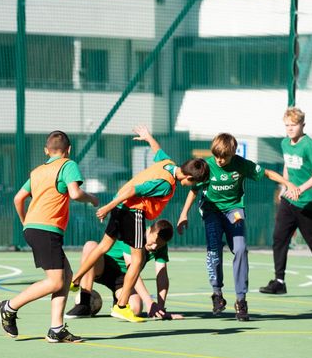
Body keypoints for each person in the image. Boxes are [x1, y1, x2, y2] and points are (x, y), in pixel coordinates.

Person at [70, 125, 209, 323]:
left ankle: (75, 280)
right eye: (192, 183)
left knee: (103, 246)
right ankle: (121, 307)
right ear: (188, 177)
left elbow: (158, 150)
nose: (190, 186)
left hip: (121, 208)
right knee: (137, 260)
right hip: (133, 211)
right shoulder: (166, 184)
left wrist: (148, 137)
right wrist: (108, 206)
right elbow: (134, 190)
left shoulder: (168, 164)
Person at [177, 133, 300, 321]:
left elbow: (267, 173)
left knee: (241, 249)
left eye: (224, 157)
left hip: (234, 210)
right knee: (214, 251)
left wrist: (287, 183)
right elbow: (194, 190)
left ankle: (241, 300)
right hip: (211, 212)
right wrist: (183, 214)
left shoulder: (241, 165)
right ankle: (217, 293)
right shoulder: (207, 166)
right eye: (216, 156)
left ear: (233, 153)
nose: (219, 160)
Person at [0, 131, 98, 343]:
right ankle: (9, 306)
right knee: (55, 281)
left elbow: (18, 199)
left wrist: (26, 222)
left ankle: (56, 329)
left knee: (66, 276)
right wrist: (92, 199)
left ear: (46, 150)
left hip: (35, 228)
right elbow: (75, 193)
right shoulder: (67, 165)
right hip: (46, 229)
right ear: (69, 149)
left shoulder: (37, 171)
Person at [259, 107, 312, 297]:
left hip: (309, 203)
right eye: (287, 125)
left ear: (302, 125)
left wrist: (300, 189)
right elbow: (288, 164)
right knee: (279, 238)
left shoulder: (309, 146)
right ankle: (279, 281)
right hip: (289, 201)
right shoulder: (285, 143)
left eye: (294, 125)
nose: (290, 129)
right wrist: (284, 187)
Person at [65, 219, 183, 320]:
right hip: (104, 266)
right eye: (153, 242)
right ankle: (84, 303)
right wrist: (149, 302)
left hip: (123, 278)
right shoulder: (134, 234)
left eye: (159, 245)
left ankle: (118, 302)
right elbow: (132, 268)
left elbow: (162, 276)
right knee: (90, 246)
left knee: (136, 309)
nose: (154, 247)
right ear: (149, 230)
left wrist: (161, 309)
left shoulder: (160, 246)